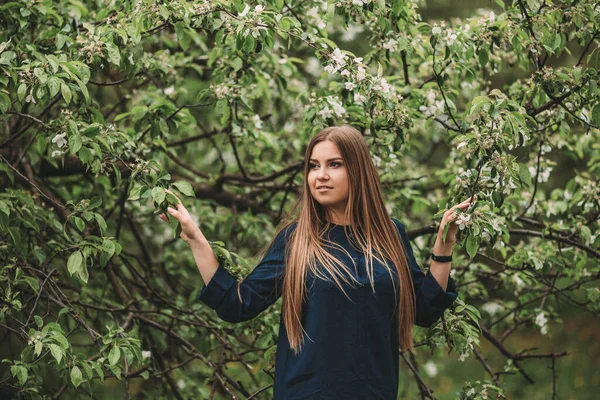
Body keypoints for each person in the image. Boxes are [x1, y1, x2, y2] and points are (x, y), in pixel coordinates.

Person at [160, 125, 475, 399]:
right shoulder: (297, 240)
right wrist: (196, 240)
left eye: (334, 164)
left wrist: (443, 247)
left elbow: (425, 309)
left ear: (358, 171)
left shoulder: (390, 235)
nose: (320, 176)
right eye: (313, 166)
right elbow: (237, 304)